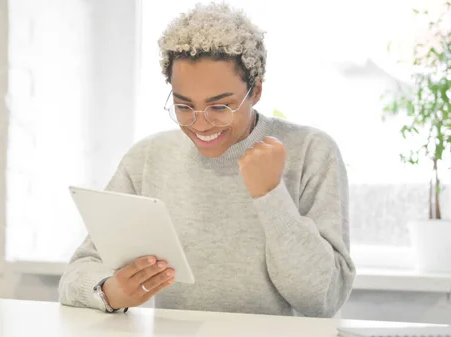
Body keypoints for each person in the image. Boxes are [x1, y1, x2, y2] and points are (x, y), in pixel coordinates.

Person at [58, 2, 356, 317]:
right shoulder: (148, 159)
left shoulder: (311, 151)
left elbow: (321, 299)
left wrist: (270, 194)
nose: (200, 124)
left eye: (219, 106)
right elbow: (78, 274)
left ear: (255, 91)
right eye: (184, 106)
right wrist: (110, 291)